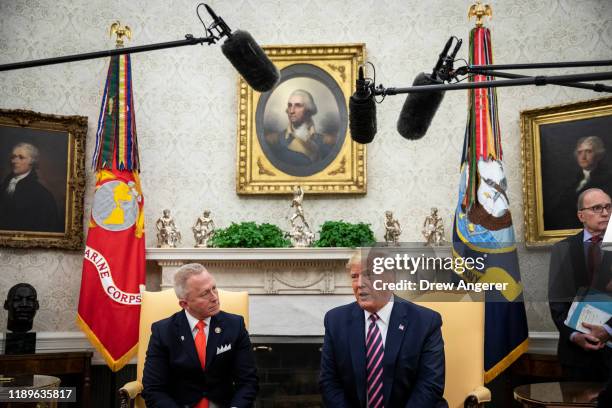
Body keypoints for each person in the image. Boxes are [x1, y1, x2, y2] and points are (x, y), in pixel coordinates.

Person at [319, 251, 447, 407]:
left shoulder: (425, 322)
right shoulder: (335, 321)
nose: (360, 283)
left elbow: (430, 386)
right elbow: (329, 382)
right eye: (354, 276)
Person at [142, 263, 258, 407]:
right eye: (205, 294)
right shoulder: (163, 331)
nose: (214, 297)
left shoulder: (235, 325)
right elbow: (154, 388)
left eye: (214, 288)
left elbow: (248, 381)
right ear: (184, 304)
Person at [548, 188, 612, 385]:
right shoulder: (562, 249)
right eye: (597, 208)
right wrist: (575, 335)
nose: (605, 213)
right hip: (575, 356)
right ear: (581, 215)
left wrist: (608, 331)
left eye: (608, 207)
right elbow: (557, 302)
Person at [549, 136, 612, 230]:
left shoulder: (608, 179)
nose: (583, 156)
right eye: (579, 152)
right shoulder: (571, 180)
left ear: (599, 155)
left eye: (589, 151)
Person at [0, 142, 60, 232]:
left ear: (32, 162)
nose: (14, 161)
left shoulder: (42, 194)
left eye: (21, 157)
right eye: (13, 157)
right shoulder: (4, 185)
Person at [268, 89, 334, 167]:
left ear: (308, 110)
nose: (291, 111)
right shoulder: (274, 141)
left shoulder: (326, 141)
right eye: (289, 105)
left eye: (298, 105)